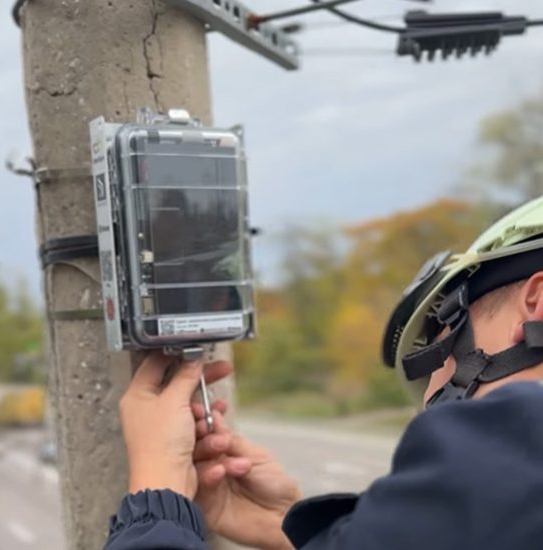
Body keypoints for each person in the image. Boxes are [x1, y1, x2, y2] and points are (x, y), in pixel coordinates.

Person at [104, 197, 543, 550]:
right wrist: (289, 526)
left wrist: (156, 491)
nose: (431, 391)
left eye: (441, 347)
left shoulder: (516, 442)